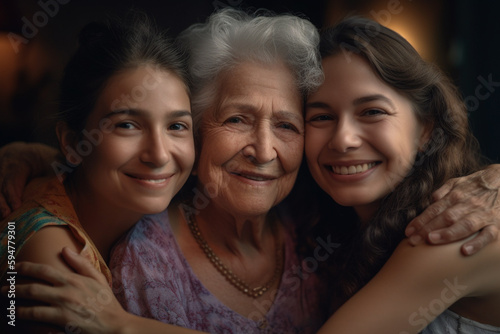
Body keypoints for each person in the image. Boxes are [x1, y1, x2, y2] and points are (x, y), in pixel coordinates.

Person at [1, 9, 500, 334]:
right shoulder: (105, 252)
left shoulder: (438, 226)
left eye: (287, 123)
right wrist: (27, 161)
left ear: (427, 128)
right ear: (198, 131)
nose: (264, 149)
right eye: (237, 118)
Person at [0, 11, 198, 334]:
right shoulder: (51, 252)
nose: (160, 154)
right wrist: (125, 327)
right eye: (127, 125)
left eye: (177, 126)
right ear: (73, 141)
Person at [301, 17, 500, 333]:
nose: (343, 139)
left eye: (372, 112)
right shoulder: (326, 230)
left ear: (425, 128)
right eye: (322, 116)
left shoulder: (450, 229)